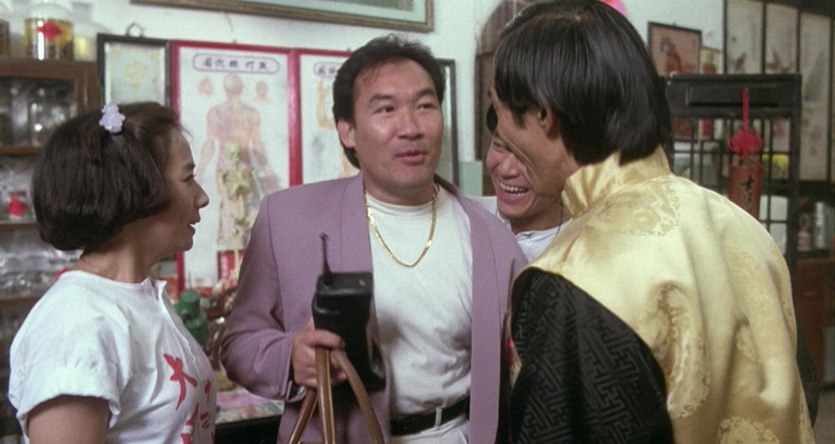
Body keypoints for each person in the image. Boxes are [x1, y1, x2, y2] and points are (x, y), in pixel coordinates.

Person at [491, 1, 815, 442]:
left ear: (542, 113)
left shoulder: (575, 277)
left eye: (499, 112)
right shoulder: (743, 227)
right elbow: (800, 389)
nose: (502, 135)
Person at [220, 34, 526, 443]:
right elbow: (238, 344)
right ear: (347, 130)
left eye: (425, 106)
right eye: (386, 109)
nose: (410, 128)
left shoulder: (490, 235)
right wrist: (290, 358)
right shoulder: (289, 219)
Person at [9, 102, 215, 442]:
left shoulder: (142, 299)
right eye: (188, 178)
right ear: (138, 190)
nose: (202, 197)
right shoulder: (76, 325)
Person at [474, 104, 569, 261]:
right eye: (500, 146)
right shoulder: (465, 217)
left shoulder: (585, 250)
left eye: (527, 155)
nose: (506, 170)